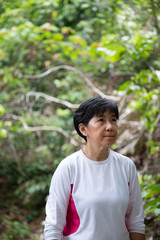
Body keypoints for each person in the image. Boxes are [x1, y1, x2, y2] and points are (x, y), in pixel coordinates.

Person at [44, 97, 145, 240]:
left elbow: (135, 222)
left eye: (113, 120)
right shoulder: (69, 168)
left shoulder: (126, 166)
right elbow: (53, 227)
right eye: (101, 120)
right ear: (83, 129)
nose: (110, 126)